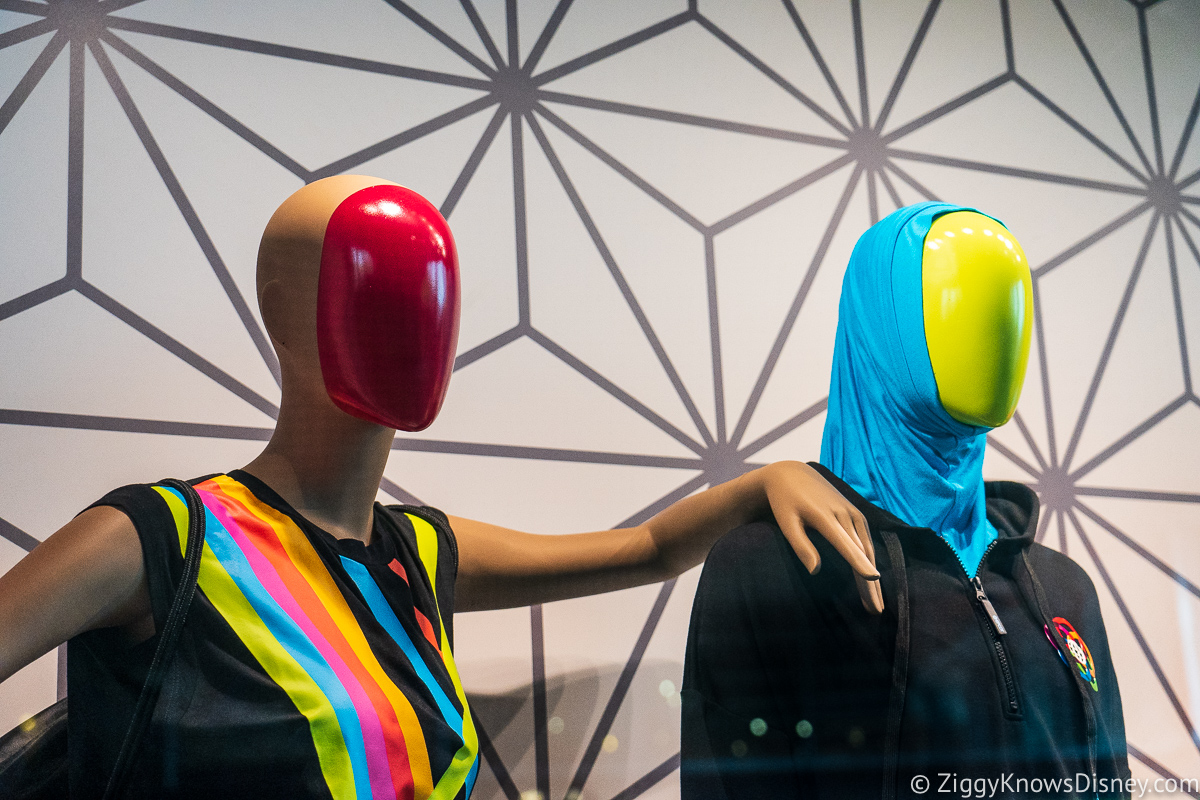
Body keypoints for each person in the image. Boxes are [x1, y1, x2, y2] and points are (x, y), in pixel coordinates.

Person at [0, 175, 882, 799]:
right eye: (379, 288)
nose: (419, 327)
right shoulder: (163, 540)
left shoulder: (415, 554)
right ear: (283, 304)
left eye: (435, 296)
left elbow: (644, 552)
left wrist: (765, 481)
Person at [680, 203, 1131, 799]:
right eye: (960, 301)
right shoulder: (771, 569)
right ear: (881, 324)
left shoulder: (1064, 587)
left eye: (1010, 307)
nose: (998, 330)